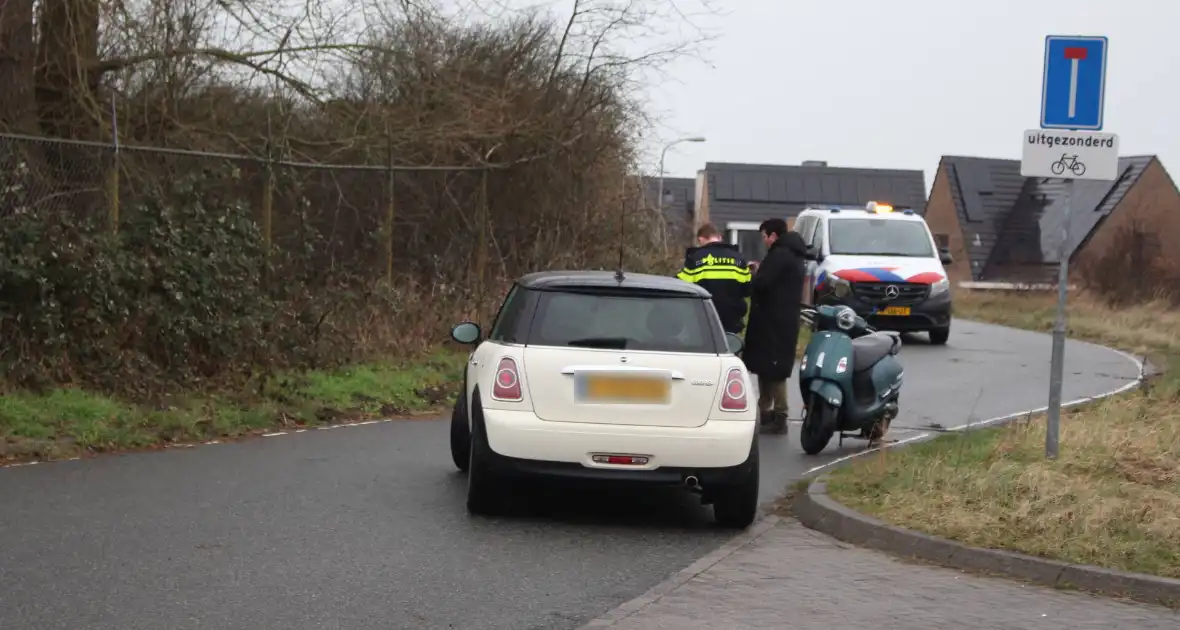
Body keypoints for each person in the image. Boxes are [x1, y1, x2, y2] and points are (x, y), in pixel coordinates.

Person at [742, 218, 807, 435]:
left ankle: (777, 415)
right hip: (784, 319)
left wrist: (753, 275)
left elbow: (763, 284)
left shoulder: (779, 255)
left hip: (772, 320)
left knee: (773, 368)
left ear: (773, 236)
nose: (763, 242)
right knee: (769, 366)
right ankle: (769, 412)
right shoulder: (793, 255)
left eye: (764, 237)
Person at [676, 223, 752, 335]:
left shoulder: (696, 258)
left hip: (703, 318)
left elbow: (682, 285)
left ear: (701, 238)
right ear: (719, 237)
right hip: (731, 320)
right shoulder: (738, 258)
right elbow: (747, 289)